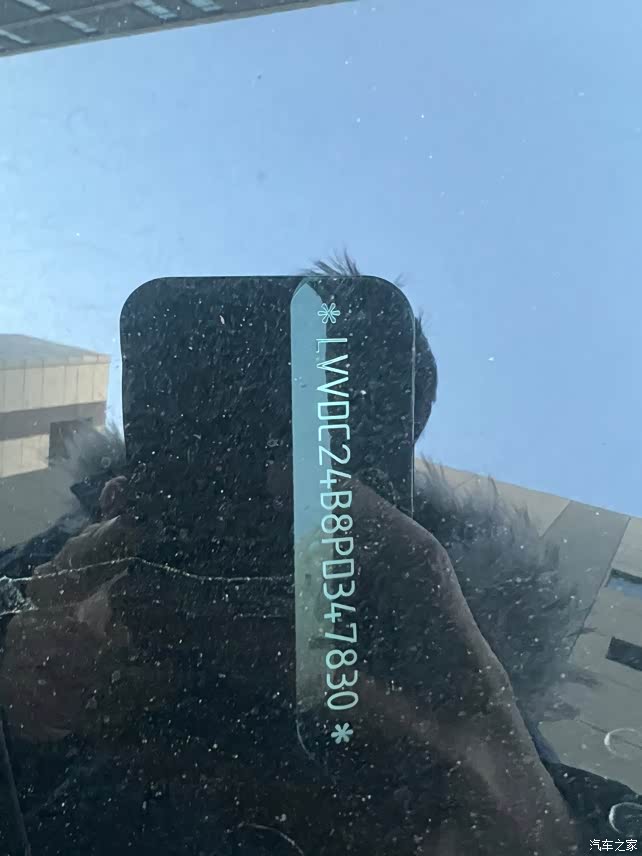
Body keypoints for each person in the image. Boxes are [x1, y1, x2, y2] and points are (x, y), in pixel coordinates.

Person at [0, 256, 639, 853]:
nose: (267, 459)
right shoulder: (68, 569)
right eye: (236, 402)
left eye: (312, 409)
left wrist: (540, 828)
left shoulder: (447, 651)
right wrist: (18, 693)